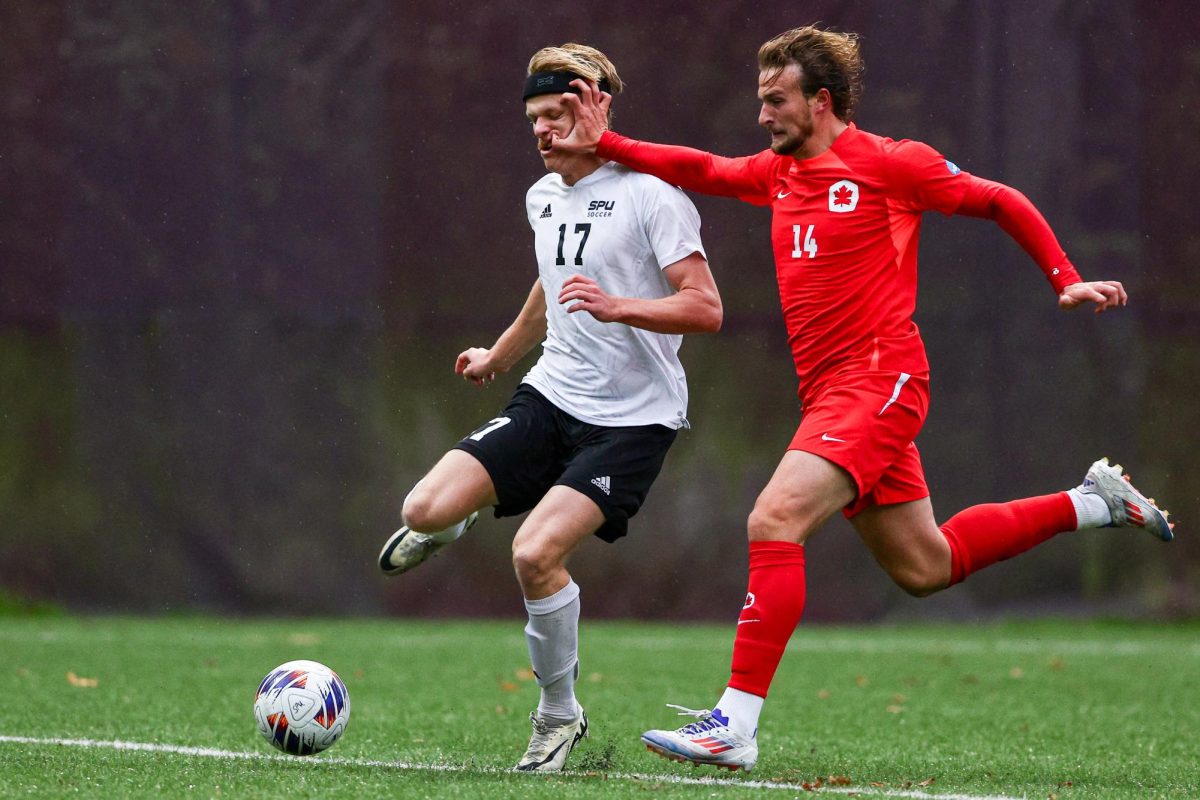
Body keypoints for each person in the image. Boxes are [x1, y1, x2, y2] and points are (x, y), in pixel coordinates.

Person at [551, 25, 1175, 772]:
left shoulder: (890, 163)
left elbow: (999, 199)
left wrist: (1063, 276)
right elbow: (700, 166)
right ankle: (1095, 502)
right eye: (760, 101)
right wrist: (607, 143)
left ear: (821, 101)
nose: (762, 116)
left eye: (775, 100)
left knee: (774, 518)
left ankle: (735, 725)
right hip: (832, 395)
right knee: (925, 565)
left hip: (882, 378)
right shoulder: (776, 174)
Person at [377, 43, 722, 773]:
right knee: (421, 509)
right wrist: (499, 356)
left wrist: (619, 306)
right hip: (552, 393)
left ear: (596, 107)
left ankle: (558, 717)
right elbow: (550, 281)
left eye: (558, 114)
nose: (542, 131)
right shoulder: (543, 196)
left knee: (535, 554)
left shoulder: (652, 194)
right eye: (534, 118)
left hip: (633, 420)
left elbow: (706, 307)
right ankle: (454, 519)